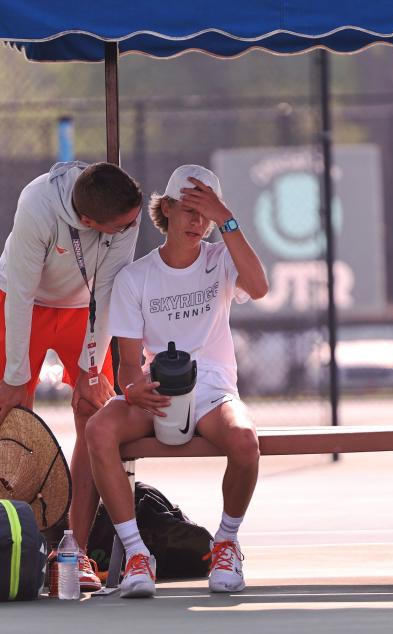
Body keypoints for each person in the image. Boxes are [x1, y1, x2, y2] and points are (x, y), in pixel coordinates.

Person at [85, 165, 269, 598]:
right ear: (165, 209)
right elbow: (129, 364)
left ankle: (225, 543)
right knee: (99, 429)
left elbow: (259, 288)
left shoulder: (222, 258)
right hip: (158, 392)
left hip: (212, 390)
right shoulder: (135, 277)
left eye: (206, 214)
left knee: (244, 440)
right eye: (189, 210)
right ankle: (135, 553)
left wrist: (227, 219)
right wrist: (132, 390)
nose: (197, 223)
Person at [0, 160, 142, 592]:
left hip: (84, 309)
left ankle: (74, 551)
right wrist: (15, 375)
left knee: (95, 413)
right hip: (22, 303)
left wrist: (93, 368)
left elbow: (107, 290)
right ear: (88, 221)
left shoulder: (125, 209)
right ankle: (18, 549)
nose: (132, 228)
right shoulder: (38, 203)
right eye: (122, 225)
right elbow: (21, 292)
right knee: (14, 422)